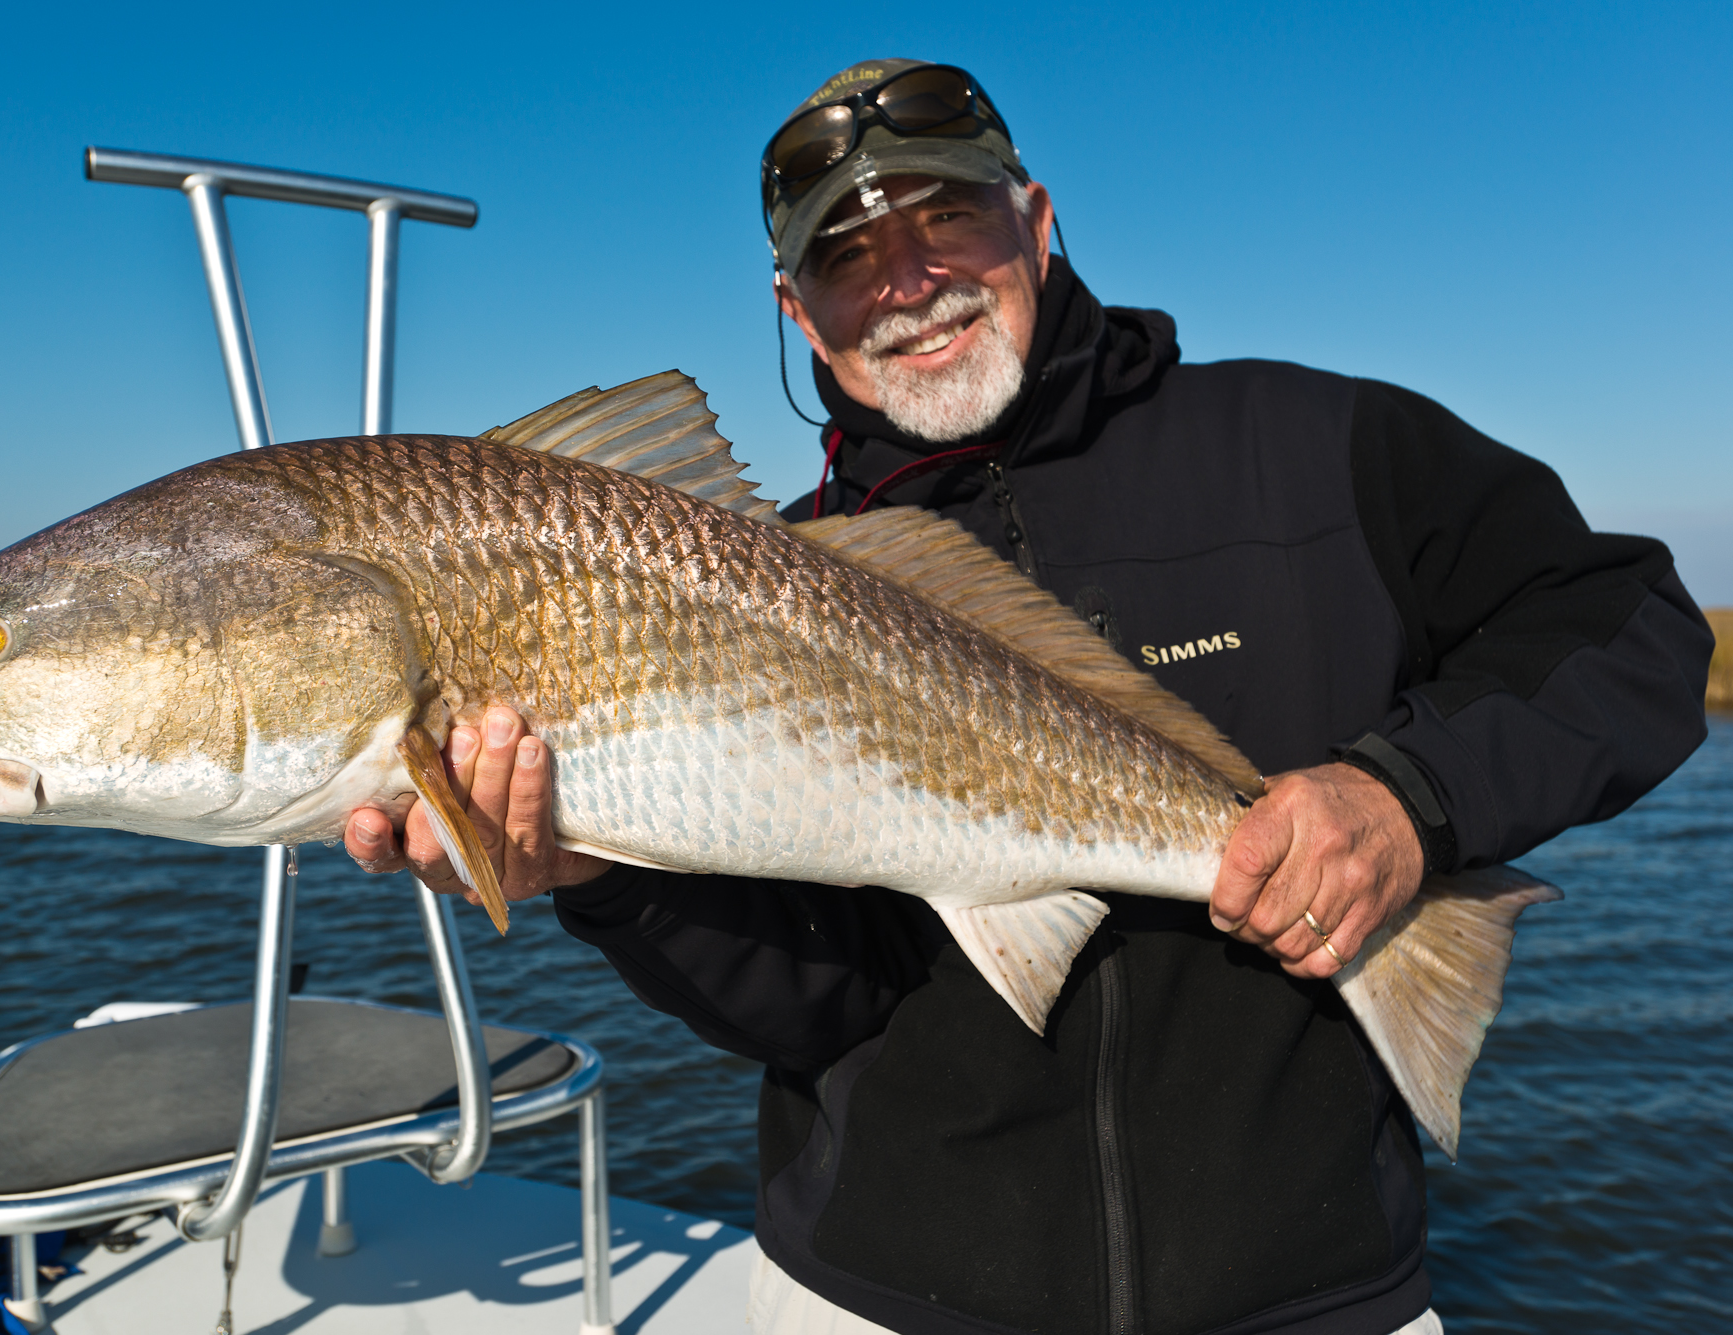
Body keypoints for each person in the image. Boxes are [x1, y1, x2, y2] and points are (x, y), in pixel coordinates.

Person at [345, 59, 1713, 1335]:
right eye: (845, 256)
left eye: (946, 221)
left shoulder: (1315, 447)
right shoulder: (772, 573)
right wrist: (600, 877)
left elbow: (1631, 628)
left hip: (1313, 1298)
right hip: (879, 1299)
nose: (907, 282)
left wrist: (1411, 798)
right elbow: (822, 1009)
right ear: (797, 314)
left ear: (1037, 221)